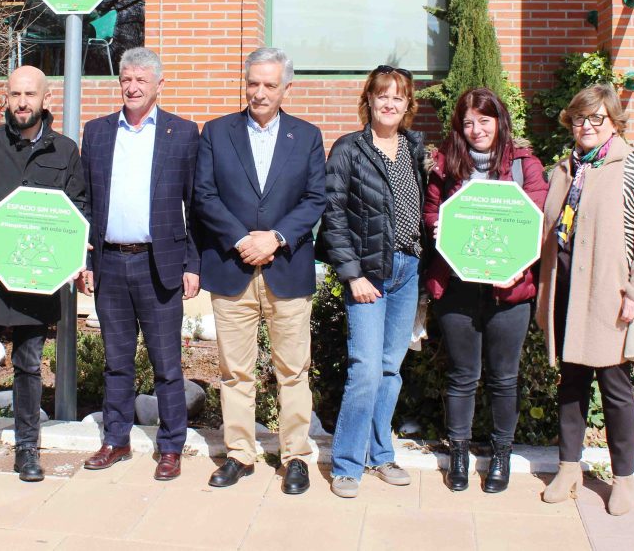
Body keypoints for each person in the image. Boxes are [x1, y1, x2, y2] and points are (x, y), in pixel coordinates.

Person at [0, 66, 87, 488]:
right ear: (6, 98)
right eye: (15, 94)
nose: (22, 102)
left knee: (28, 367)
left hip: (36, 280)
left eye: (30, 94)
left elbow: (79, 210)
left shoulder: (65, 152)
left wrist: (76, 249)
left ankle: (28, 448)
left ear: (46, 100)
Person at [194, 47, 326, 495]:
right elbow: (204, 195)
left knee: (293, 370)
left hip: (286, 268)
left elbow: (315, 198)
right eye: (253, 83)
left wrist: (275, 238)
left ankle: (294, 456)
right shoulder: (216, 132)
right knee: (235, 371)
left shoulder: (307, 136)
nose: (260, 92)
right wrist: (241, 240)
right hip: (232, 269)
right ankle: (239, 453)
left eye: (270, 85)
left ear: (287, 87)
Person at [537, 83, 634, 515]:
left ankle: (624, 479)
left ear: (613, 121)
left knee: (616, 388)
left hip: (609, 295)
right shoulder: (563, 168)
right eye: (579, 118)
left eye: (596, 118)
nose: (586, 126)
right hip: (566, 293)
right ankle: (569, 468)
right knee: (571, 385)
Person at [78, 48, 200, 481]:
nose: (132, 87)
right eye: (126, 79)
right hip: (109, 262)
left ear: (159, 86)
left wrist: (193, 263)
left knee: (167, 364)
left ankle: (171, 446)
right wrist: (84, 257)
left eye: (141, 81)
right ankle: (116, 439)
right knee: (117, 360)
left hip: (159, 265)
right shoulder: (96, 133)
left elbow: (196, 205)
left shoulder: (183, 134)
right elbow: (86, 202)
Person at [423, 87, 547, 493]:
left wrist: (518, 269)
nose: (476, 129)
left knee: (504, 378)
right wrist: (438, 226)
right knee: (462, 376)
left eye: (484, 120)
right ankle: (458, 451)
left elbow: (537, 220)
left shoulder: (524, 164)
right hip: (458, 287)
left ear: (499, 122)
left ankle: (500, 455)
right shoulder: (445, 163)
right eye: (468, 122)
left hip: (508, 291)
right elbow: (431, 209)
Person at [318, 65, 427, 499]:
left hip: (408, 270)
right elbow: (333, 215)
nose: (389, 103)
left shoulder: (416, 148)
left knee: (390, 369)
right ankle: (347, 464)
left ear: (407, 105)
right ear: (369, 100)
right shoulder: (349, 149)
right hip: (367, 274)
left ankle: (381, 455)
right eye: (382, 95)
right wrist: (353, 274)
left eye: (398, 97)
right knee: (364, 369)